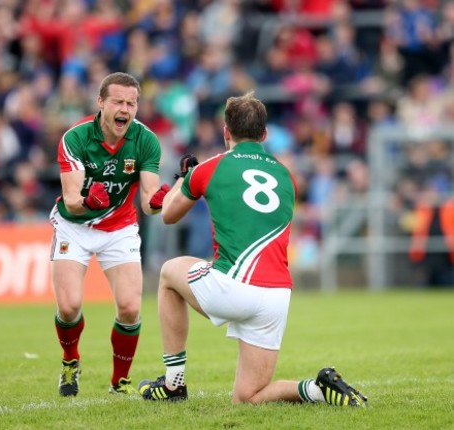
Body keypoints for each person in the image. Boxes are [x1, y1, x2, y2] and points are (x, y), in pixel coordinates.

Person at [138, 92, 368, 407]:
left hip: (232, 287)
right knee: (248, 397)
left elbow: (167, 214)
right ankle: (317, 388)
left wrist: (184, 178)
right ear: (265, 135)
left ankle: (173, 383)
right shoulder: (287, 175)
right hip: (276, 296)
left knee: (167, 274)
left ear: (225, 132)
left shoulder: (210, 167)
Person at [50, 72, 170, 396]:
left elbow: (148, 202)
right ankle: (70, 360)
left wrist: (162, 200)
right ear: (100, 102)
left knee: (130, 308)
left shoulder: (146, 140)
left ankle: (119, 381)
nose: (125, 109)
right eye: (118, 101)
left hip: (119, 227)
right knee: (70, 306)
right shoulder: (75, 139)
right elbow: (72, 201)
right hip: (74, 227)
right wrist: (88, 200)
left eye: (132, 103)